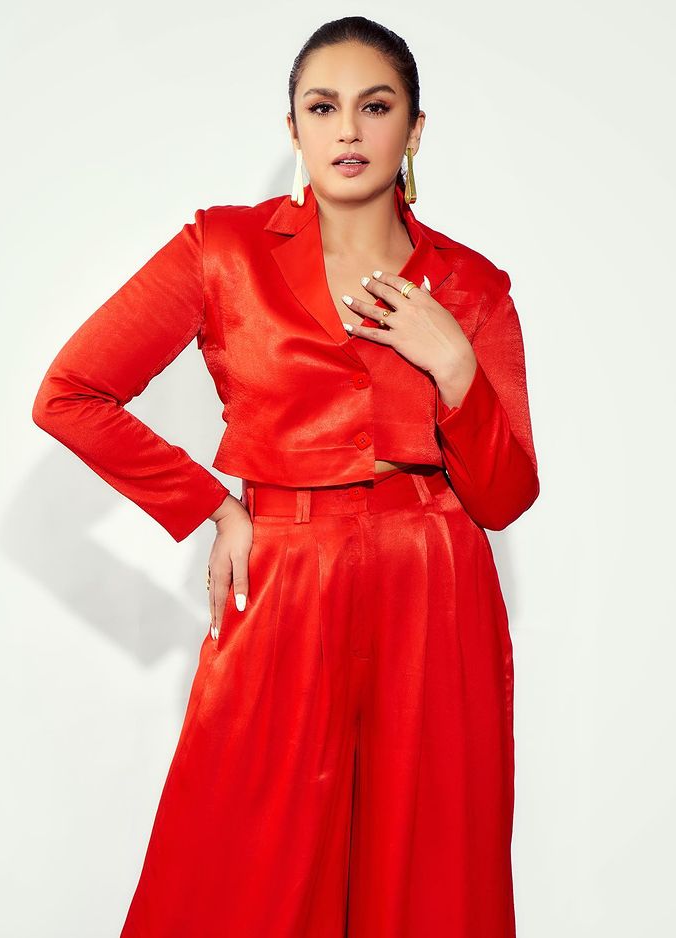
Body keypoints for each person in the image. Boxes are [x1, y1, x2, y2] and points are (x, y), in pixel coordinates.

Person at [32, 15, 540, 938]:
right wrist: (213, 507)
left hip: (435, 582)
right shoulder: (222, 250)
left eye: (375, 106)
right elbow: (71, 393)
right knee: (243, 857)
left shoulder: (471, 285)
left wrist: (455, 365)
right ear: (294, 127)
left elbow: (505, 497)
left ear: (414, 129)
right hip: (285, 574)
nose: (348, 129)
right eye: (323, 106)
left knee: (430, 864)